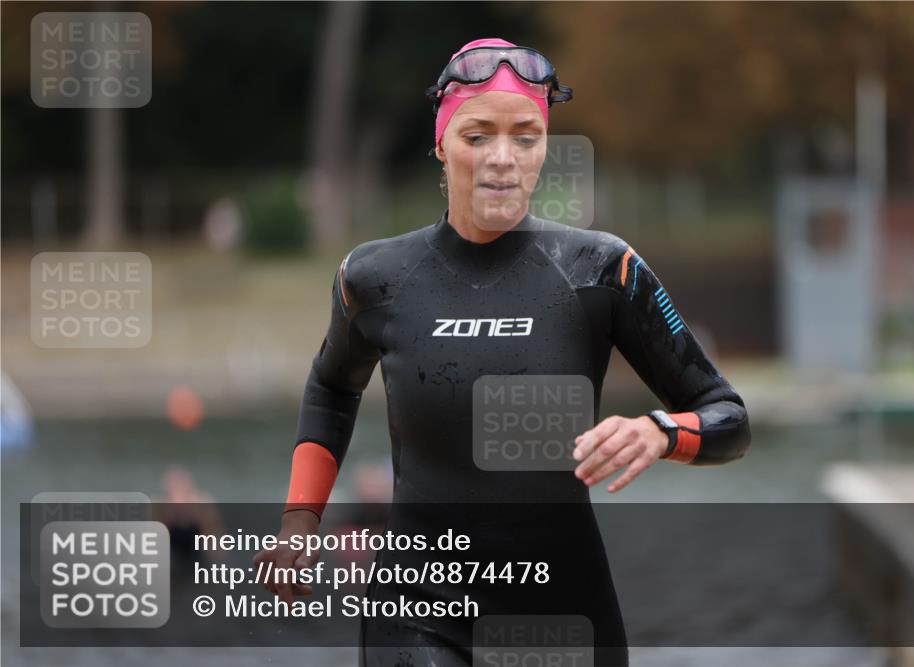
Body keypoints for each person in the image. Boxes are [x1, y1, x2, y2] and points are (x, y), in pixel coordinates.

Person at [254, 38, 751, 666]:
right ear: (440, 143)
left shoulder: (599, 269)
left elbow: (727, 417)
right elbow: (332, 386)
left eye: (526, 136)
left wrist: (659, 432)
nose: (503, 159)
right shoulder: (375, 277)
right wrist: (301, 520)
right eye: (477, 135)